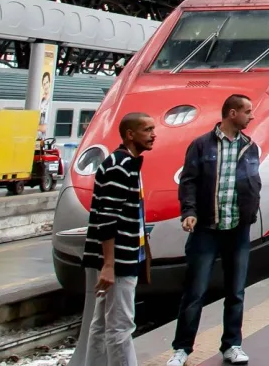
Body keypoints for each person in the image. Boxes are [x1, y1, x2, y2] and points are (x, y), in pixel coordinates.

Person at [168, 96, 261, 366]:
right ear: (232, 114)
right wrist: (189, 212)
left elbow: (253, 181)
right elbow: (189, 181)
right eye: (247, 112)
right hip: (206, 229)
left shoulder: (250, 147)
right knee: (194, 291)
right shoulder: (201, 145)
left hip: (238, 229)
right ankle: (182, 349)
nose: (251, 117)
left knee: (236, 291)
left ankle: (232, 345)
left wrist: (250, 211)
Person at [69, 112, 155, 366]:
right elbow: (108, 218)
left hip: (120, 256)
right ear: (130, 135)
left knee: (102, 323)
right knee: (121, 326)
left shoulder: (122, 163)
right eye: (147, 130)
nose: (153, 135)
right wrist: (109, 264)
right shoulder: (121, 166)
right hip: (120, 259)